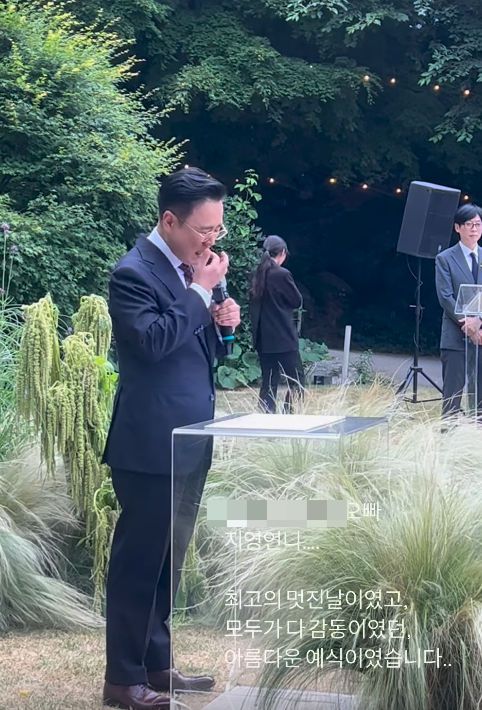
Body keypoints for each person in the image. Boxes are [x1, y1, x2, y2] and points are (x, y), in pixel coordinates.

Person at [102, 167, 241, 710]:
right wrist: (200, 292)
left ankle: (157, 666)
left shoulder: (194, 272)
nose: (211, 240)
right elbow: (153, 343)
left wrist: (222, 322)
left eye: (217, 230)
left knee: (169, 561)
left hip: (191, 438)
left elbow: (204, 351)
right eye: (204, 230)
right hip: (149, 443)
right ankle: (123, 680)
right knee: (139, 563)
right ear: (169, 221)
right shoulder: (133, 273)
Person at [435, 203, 482, 418]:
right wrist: (468, 324)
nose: (474, 229)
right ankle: (449, 433)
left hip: (481, 335)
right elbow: (445, 297)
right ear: (457, 227)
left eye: (478, 224)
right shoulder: (445, 258)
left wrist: (478, 324)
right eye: (469, 224)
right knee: (453, 394)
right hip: (455, 336)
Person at [250, 235, 304, 413]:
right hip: (283, 336)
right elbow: (296, 300)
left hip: (263, 338)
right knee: (296, 380)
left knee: (269, 380)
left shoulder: (257, 274)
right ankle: (289, 413)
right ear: (282, 252)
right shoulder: (282, 274)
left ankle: (266, 415)